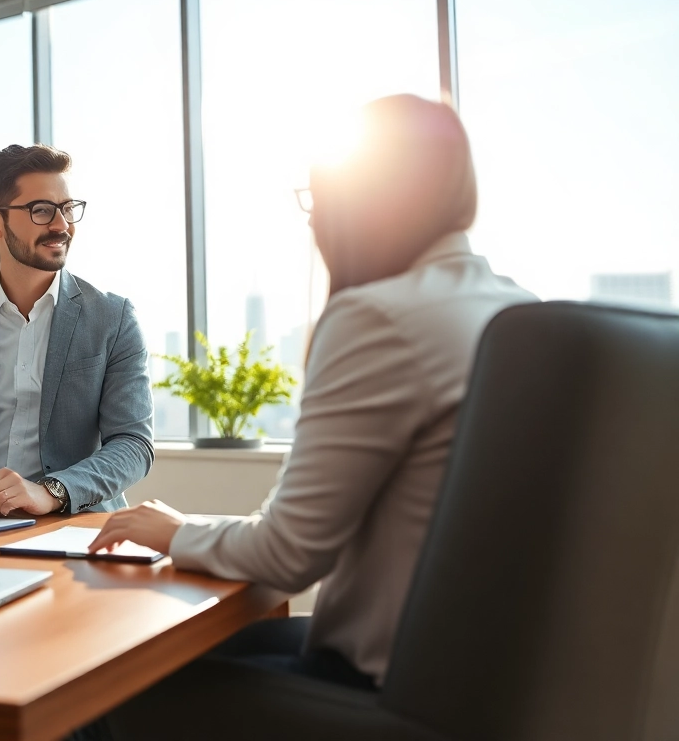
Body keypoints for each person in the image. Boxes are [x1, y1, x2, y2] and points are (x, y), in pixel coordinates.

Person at [77, 94, 537, 738]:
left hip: (388, 686)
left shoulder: (381, 317)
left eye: (317, 199)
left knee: (108, 683)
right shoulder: (518, 310)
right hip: (492, 679)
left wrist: (173, 532)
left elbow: (290, 555)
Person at [0, 144, 154, 518]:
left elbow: (134, 444)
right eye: (41, 210)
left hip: (75, 523)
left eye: (67, 209)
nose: (61, 225)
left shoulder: (113, 318)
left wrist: (51, 492)